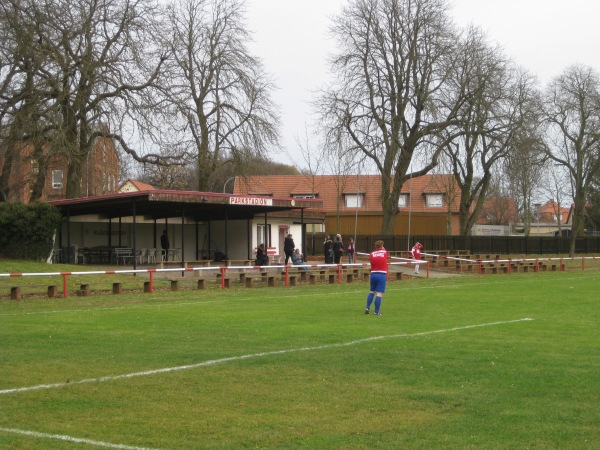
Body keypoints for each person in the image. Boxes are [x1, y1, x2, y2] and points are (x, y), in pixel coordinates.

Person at [365, 240, 388, 316]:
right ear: (382, 246)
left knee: (372, 291)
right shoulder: (384, 252)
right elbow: (385, 255)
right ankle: (376, 311)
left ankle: (367, 308)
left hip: (373, 274)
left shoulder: (371, 254)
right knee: (379, 293)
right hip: (381, 274)